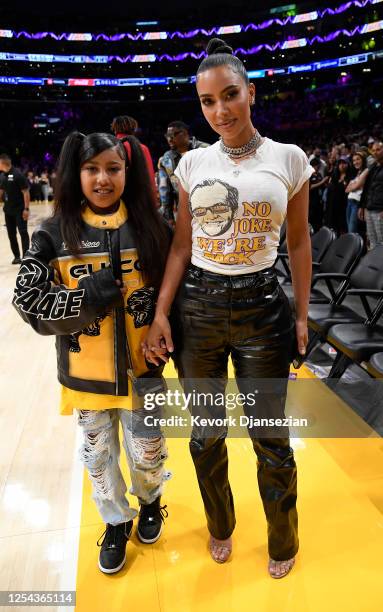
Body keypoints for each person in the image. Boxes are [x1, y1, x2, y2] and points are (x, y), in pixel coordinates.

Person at [143, 38, 313, 579]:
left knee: (270, 435)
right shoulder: (191, 163)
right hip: (199, 310)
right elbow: (182, 246)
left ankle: (282, 537)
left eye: (230, 95)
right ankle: (221, 525)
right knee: (206, 433)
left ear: (251, 93)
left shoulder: (289, 159)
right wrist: (162, 311)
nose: (220, 110)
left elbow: (301, 241)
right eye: (208, 102)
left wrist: (303, 316)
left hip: (265, 308)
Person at [12, 132, 171, 575]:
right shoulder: (51, 232)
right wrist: (87, 297)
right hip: (86, 378)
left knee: (149, 453)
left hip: (146, 373)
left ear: (127, 172)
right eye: (91, 169)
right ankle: (116, 522)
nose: (103, 178)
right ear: (74, 173)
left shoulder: (150, 226)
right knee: (99, 459)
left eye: (113, 168)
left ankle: (152, 501)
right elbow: (27, 300)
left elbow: (175, 292)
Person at [157, 121, 209, 225]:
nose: (170, 139)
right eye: (168, 136)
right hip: (183, 211)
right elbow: (165, 190)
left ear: (185, 133)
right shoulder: (166, 159)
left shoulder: (206, 150)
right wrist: (169, 216)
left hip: (208, 208)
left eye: (174, 135)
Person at [111, 115, 157, 199]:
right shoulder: (142, 148)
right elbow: (149, 177)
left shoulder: (108, 148)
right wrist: (153, 200)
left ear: (115, 129)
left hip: (114, 197)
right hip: (137, 199)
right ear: (133, 129)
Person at [0, 154, 30, 264]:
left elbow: (26, 192)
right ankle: (17, 256)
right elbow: (1, 191)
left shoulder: (18, 174)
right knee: (11, 234)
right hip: (8, 210)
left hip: (20, 209)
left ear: (3, 163)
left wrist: (26, 209)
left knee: (23, 233)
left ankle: (26, 257)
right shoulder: (2, 176)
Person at [358, 140, 383, 249]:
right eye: (373, 150)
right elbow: (367, 188)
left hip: (380, 211)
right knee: (372, 242)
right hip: (369, 208)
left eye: (378, 149)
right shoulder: (373, 167)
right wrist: (362, 206)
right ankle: (373, 265)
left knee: (382, 243)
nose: (375, 152)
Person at [345, 151, 368, 233]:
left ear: (363, 160)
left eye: (358, 159)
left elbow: (357, 186)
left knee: (352, 230)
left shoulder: (366, 171)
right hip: (349, 202)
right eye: (354, 160)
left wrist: (354, 185)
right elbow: (346, 189)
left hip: (356, 203)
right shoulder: (357, 173)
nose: (355, 162)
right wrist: (354, 186)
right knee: (349, 230)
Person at [309, 157, 328, 232]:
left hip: (319, 199)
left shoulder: (319, 174)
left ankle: (318, 231)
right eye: (317, 165)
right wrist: (322, 182)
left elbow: (322, 185)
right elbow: (309, 187)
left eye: (319, 166)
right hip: (312, 200)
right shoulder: (309, 175)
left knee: (319, 217)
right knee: (312, 217)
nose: (318, 167)